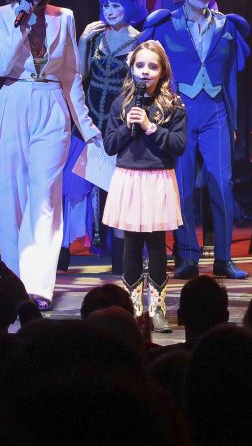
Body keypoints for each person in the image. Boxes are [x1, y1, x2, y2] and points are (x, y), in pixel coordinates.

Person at [0, 0, 100, 300]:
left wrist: (87, 127)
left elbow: (71, 76)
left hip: (51, 105)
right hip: (13, 101)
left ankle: (38, 287)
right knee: (11, 197)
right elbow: (0, 66)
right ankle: (13, 283)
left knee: (45, 197)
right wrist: (20, 27)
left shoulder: (63, 17)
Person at [139, 0, 251, 280]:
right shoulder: (164, 24)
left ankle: (224, 258)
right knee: (182, 185)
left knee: (222, 183)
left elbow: (234, 74)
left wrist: (232, 123)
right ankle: (187, 255)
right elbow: (147, 65)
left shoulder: (227, 26)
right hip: (180, 112)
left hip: (215, 111)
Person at [102, 40, 187, 333]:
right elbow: (110, 145)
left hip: (157, 178)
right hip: (129, 177)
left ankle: (158, 309)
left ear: (163, 71)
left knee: (156, 243)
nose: (145, 71)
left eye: (152, 66)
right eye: (140, 65)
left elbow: (178, 145)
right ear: (131, 68)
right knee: (132, 243)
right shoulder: (121, 103)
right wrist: (128, 127)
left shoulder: (173, 104)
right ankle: (134, 308)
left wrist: (151, 127)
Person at [61, 0, 143, 273]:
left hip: (119, 123)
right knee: (73, 188)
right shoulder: (96, 37)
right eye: (106, 5)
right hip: (89, 120)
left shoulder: (140, 40)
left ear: (128, 7)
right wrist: (82, 41)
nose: (110, 11)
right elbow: (80, 75)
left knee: (119, 191)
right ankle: (62, 253)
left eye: (116, 6)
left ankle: (121, 260)